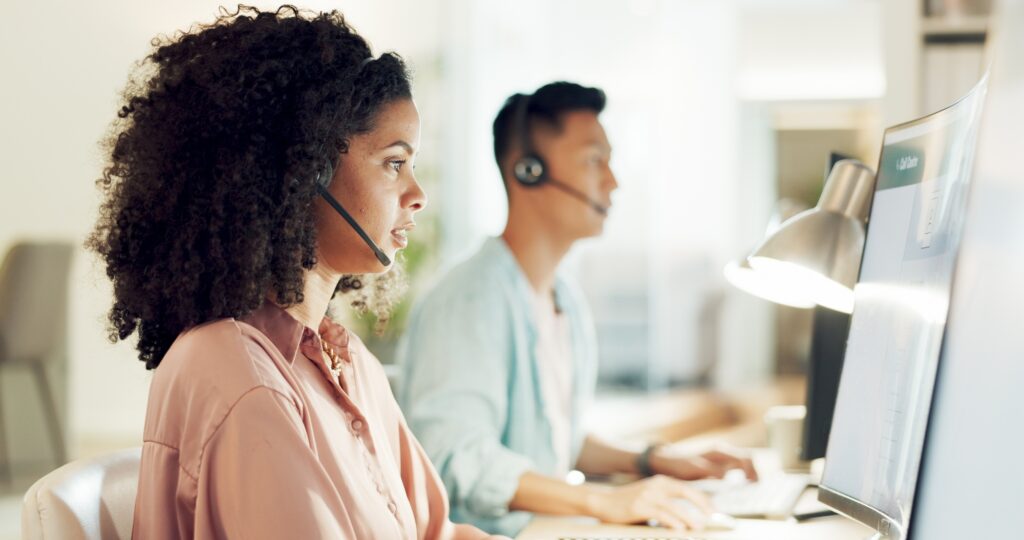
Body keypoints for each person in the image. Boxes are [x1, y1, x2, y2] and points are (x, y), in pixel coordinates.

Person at [87, 6, 498, 539]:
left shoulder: (350, 365)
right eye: (395, 163)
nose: (417, 196)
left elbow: (436, 533)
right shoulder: (235, 372)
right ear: (305, 169)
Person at [398, 82, 756, 537]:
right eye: (594, 161)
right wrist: (603, 501)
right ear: (528, 171)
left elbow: (553, 440)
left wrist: (652, 460)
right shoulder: (469, 302)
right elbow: (456, 455)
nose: (613, 181)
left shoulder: (562, 298)